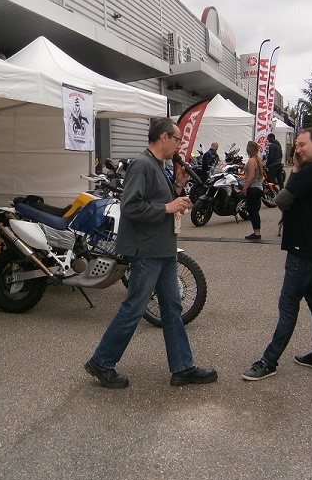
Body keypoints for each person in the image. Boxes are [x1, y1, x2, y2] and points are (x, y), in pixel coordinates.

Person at [85, 118, 218, 388]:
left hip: (163, 249)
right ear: (164, 137)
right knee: (134, 306)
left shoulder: (158, 165)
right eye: (178, 139)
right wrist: (168, 207)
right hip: (147, 250)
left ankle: (182, 367)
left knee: (172, 308)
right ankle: (101, 361)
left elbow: (156, 200)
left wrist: (177, 188)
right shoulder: (142, 165)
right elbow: (130, 206)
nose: (180, 145)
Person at [242, 127, 312, 381]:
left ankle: (269, 361)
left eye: (302, 145)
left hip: (303, 247)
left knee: (288, 305)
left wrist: (295, 169)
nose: (297, 149)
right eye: (296, 145)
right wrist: (297, 168)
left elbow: (281, 200)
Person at [241, 140, 264, 241]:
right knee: (254, 211)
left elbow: (251, 176)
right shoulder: (257, 160)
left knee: (253, 211)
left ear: (249, 148)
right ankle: (256, 232)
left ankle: (257, 233)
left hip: (253, 188)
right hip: (258, 187)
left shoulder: (251, 161)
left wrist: (245, 187)